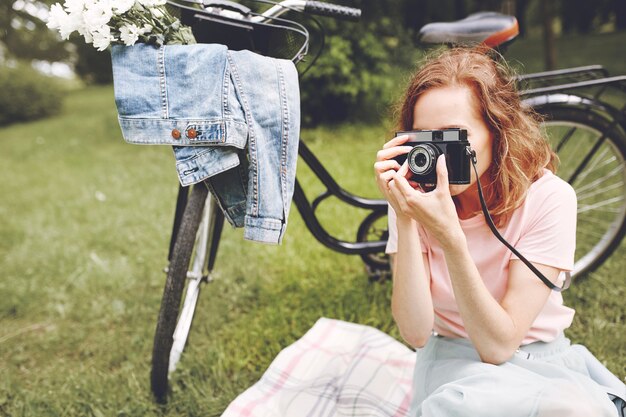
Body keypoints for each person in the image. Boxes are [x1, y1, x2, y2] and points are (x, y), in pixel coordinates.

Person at [374, 47, 619, 416]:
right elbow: (416, 333)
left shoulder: (549, 199)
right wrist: (406, 217)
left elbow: (499, 345)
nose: (437, 156)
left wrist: (451, 240)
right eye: (425, 137)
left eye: (455, 136)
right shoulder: (412, 198)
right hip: (452, 360)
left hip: (538, 357)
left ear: (497, 130)